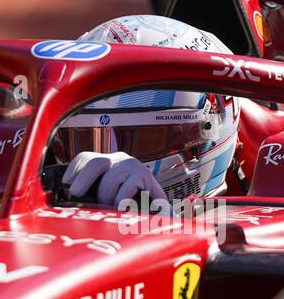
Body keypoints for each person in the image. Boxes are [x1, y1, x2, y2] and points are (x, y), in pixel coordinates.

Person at [54, 15, 242, 208]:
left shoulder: (247, 231)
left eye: (133, 141)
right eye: (83, 140)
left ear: (205, 132)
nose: (101, 163)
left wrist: (161, 226)